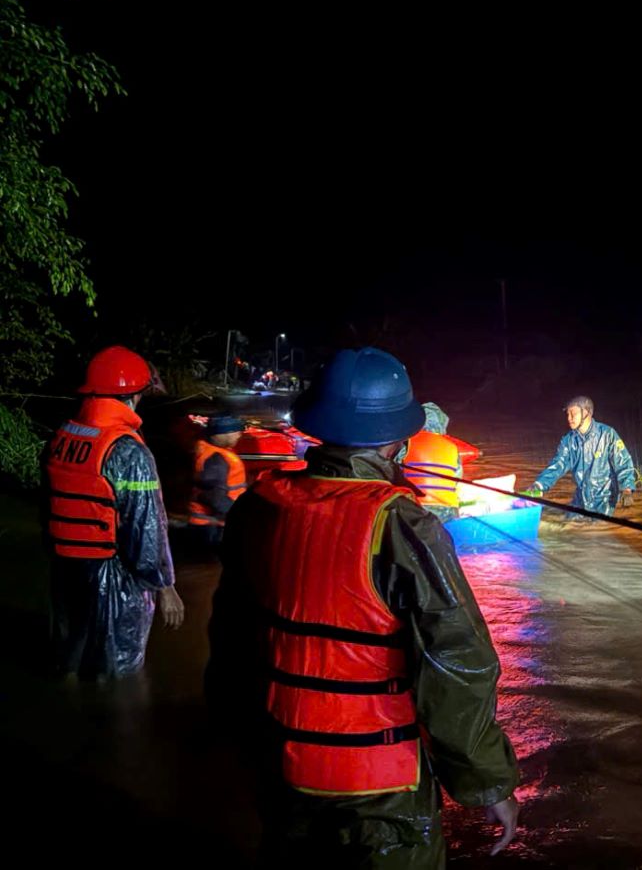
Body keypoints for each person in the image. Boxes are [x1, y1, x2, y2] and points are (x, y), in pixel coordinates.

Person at [206, 347, 520, 867]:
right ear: (397, 438)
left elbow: (229, 640)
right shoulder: (402, 526)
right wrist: (487, 782)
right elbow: (458, 665)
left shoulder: (259, 505)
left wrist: (234, 743)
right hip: (379, 786)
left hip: (280, 766)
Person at [42, 345, 184, 679]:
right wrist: (165, 587)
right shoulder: (128, 451)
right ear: (133, 395)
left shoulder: (63, 436)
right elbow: (145, 528)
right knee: (116, 670)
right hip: (113, 576)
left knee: (70, 662)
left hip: (64, 570)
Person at [523, 395, 636, 517]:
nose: (569, 418)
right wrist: (539, 485)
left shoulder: (607, 434)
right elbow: (557, 465)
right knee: (567, 527)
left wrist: (627, 489)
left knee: (595, 532)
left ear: (586, 412)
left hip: (604, 500)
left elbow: (623, 462)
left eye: (573, 413)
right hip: (580, 498)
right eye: (567, 414)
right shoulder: (569, 440)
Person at [187, 413, 246, 545]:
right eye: (235, 431)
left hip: (210, 524)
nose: (239, 434)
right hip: (212, 526)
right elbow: (213, 496)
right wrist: (238, 515)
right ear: (221, 434)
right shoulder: (215, 458)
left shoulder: (211, 452)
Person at [402, 402, 462, 522]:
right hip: (449, 508)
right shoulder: (453, 447)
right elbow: (457, 478)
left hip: (415, 507)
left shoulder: (406, 442)